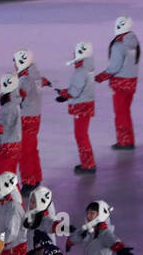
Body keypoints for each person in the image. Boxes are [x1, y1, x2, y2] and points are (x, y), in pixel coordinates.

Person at [96, 16, 141, 150]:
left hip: (121, 84)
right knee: (126, 112)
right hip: (132, 82)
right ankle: (129, 139)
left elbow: (114, 68)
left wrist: (100, 77)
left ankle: (124, 142)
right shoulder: (134, 41)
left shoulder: (118, 45)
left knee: (121, 114)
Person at [13, 49, 52, 191]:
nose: (15, 66)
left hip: (26, 117)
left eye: (15, 63)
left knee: (25, 151)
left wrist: (7, 95)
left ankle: (28, 182)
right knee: (32, 149)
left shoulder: (25, 79)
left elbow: (20, 94)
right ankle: (36, 177)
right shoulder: (35, 75)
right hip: (35, 116)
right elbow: (42, 81)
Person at [56, 41, 97, 174]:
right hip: (86, 105)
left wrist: (64, 95)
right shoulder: (88, 70)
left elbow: (74, 92)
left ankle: (88, 164)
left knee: (81, 136)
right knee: (82, 134)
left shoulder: (80, 71)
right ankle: (88, 163)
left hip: (81, 107)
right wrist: (64, 92)